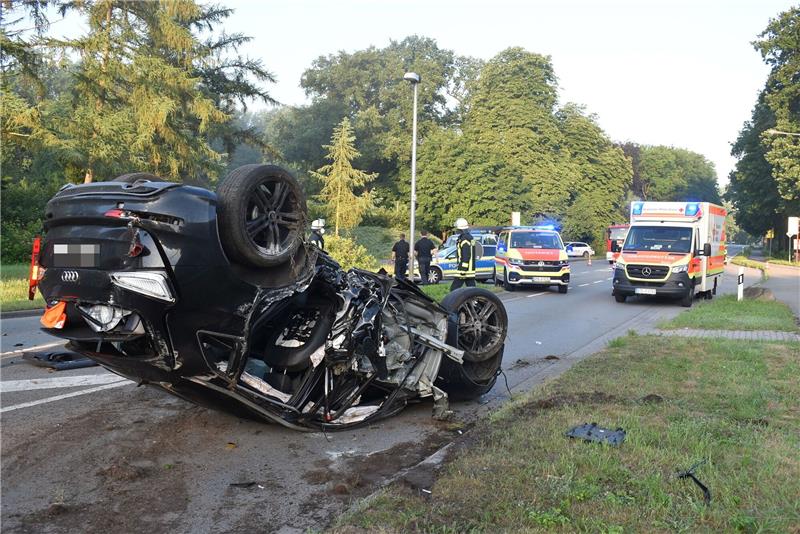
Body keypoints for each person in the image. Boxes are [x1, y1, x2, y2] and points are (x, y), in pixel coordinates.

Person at [450, 218, 476, 291]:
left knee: (454, 289)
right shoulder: (469, 238)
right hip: (470, 269)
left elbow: (466, 255)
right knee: (472, 290)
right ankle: (475, 302)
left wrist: (463, 269)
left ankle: (452, 302)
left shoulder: (464, 240)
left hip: (464, 269)